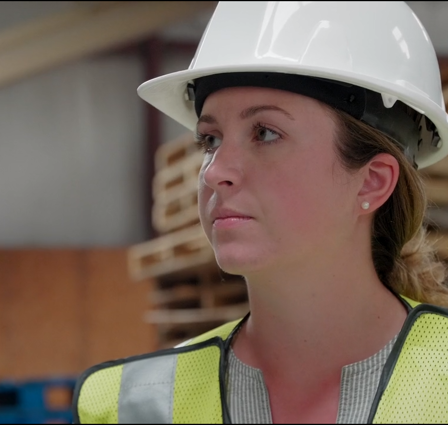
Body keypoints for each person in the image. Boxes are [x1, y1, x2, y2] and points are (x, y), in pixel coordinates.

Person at [72, 1, 448, 423]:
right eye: (210, 140)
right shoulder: (129, 407)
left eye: (265, 133)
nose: (215, 172)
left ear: (372, 181)